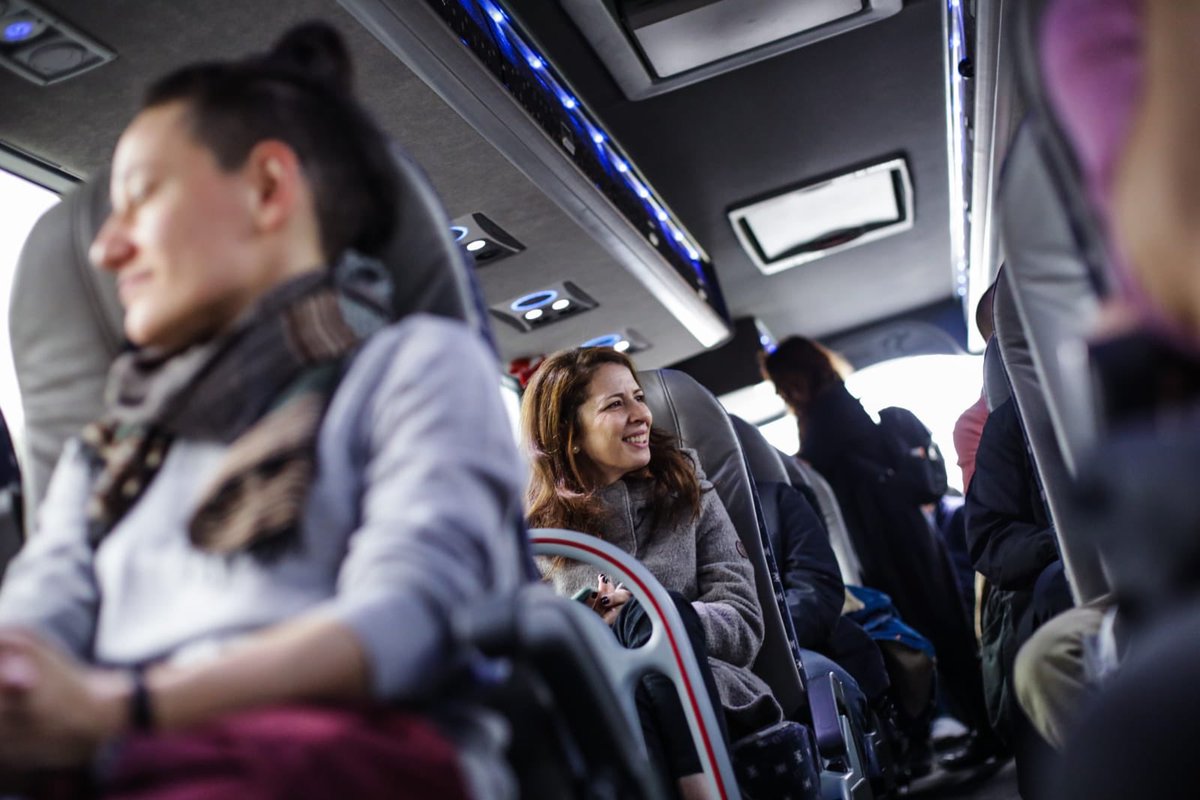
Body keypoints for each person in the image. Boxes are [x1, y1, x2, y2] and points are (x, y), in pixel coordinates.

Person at [0, 23, 527, 800]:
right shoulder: (107, 451)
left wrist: (127, 709)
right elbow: (41, 611)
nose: (103, 250)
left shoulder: (412, 368)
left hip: (332, 752)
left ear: (268, 190)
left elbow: (411, 616)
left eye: (139, 198)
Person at [520, 346, 781, 800]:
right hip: (600, 703)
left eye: (638, 397)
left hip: (709, 690)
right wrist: (595, 628)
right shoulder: (535, 539)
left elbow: (743, 621)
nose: (641, 414)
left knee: (651, 613)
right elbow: (533, 658)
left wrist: (660, 620)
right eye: (616, 404)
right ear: (570, 433)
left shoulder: (687, 487)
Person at [759, 336, 1000, 767]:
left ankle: (984, 730)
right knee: (939, 627)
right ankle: (979, 729)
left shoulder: (830, 412)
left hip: (891, 539)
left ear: (799, 376)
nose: (782, 395)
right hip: (900, 533)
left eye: (783, 384)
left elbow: (808, 464)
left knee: (932, 629)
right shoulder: (837, 406)